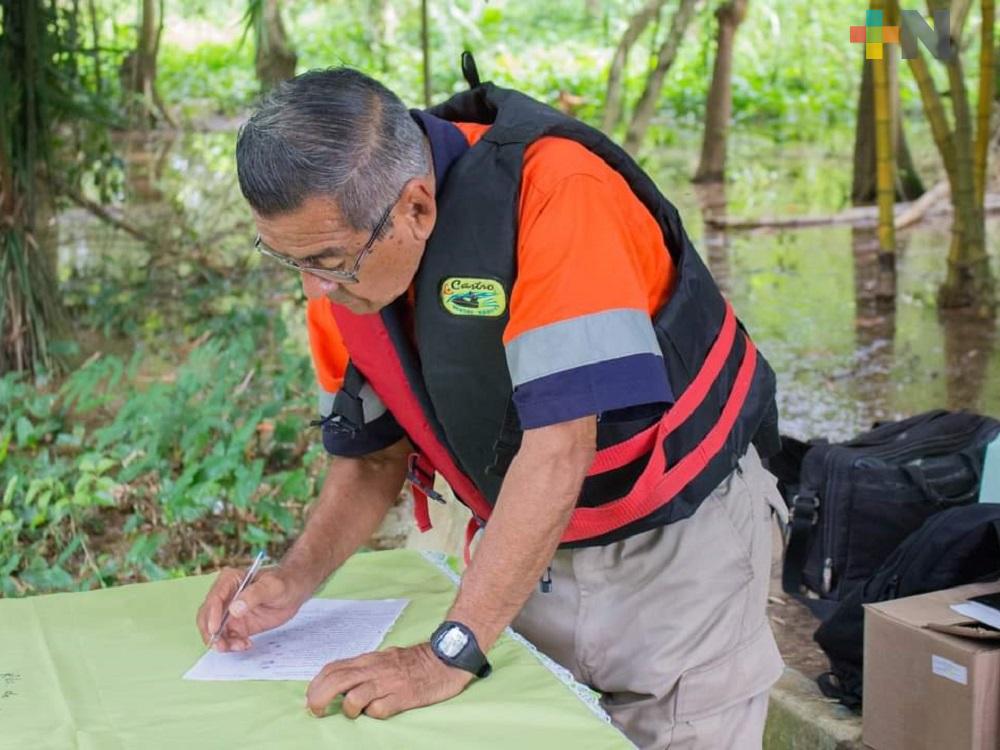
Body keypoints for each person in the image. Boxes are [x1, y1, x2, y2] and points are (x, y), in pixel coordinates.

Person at [194, 58, 786, 749]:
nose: (313, 292)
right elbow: (369, 460)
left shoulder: (560, 191)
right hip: (519, 560)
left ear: (415, 207)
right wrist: (292, 582)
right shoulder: (341, 259)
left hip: (672, 553)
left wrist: (448, 650)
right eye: (287, 260)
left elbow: (561, 444)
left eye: (328, 260)